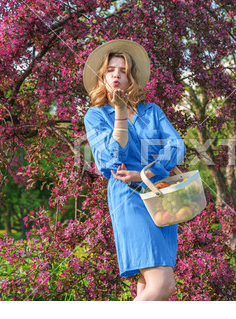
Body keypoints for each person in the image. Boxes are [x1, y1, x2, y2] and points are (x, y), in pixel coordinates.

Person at [82, 39, 186, 301]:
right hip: (129, 196)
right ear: (102, 77)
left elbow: (176, 146)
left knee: (148, 285)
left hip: (161, 194)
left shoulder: (151, 111)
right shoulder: (96, 116)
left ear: (131, 79)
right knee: (163, 283)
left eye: (123, 71)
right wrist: (119, 112)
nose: (117, 75)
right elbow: (111, 160)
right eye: (110, 70)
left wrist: (148, 172)